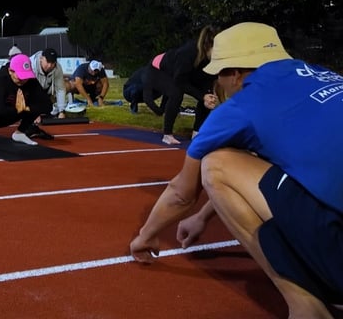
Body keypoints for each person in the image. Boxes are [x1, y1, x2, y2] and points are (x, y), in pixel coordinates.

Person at [129, 22, 343, 317]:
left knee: (215, 165)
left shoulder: (240, 107)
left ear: (235, 73)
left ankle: (305, 306)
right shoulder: (324, 76)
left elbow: (182, 192)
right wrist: (203, 216)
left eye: (219, 73)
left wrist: (145, 235)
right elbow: (264, 165)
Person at [144, 24, 218, 145]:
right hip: (159, 69)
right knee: (176, 92)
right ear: (208, 45)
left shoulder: (210, 60)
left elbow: (210, 82)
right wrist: (201, 96)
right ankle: (167, 135)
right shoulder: (188, 53)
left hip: (182, 73)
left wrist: (208, 96)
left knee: (207, 95)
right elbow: (180, 81)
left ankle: (197, 133)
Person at [0, 53, 54, 149]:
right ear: (10, 71)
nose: (23, 80)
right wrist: (18, 109)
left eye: (26, 77)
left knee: (36, 103)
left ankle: (20, 133)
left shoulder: (30, 80)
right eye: (20, 76)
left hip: (11, 114)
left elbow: (48, 105)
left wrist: (27, 108)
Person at [30, 47, 66, 126]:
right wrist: (34, 112)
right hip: (28, 92)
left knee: (48, 109)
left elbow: (60, 89)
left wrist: (61, 111)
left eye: (53, 63)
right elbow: (29, 90)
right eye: (48, 62)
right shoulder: (31, 66)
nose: (50, 66)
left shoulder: (57, 68)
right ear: (41, 59)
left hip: (45, 91)